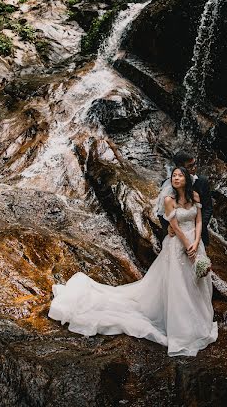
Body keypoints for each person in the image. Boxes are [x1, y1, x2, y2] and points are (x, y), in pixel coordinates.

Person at [48, 166, 218, 357]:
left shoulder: (194, 197)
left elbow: (199, 221)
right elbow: (174, 227)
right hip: (179, 244)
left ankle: (198, 320)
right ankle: (181, 327)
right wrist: (187, 245)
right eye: (174, 176)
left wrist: (196, 242)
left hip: (195, 242)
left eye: (180, 175)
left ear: (187, 179)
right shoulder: (169, 200)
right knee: (178, 285)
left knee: (195, 281)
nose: (176, 178)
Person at [157, 150, 213, 247]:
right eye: (190, 166)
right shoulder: (167, 185)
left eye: (195, 164)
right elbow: (161, 211)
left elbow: (208, 208)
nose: (194, 168)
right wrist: (168, 227)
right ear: (180, 167)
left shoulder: (202, 182)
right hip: (174, 236)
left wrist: (198, 229)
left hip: (198, 233)